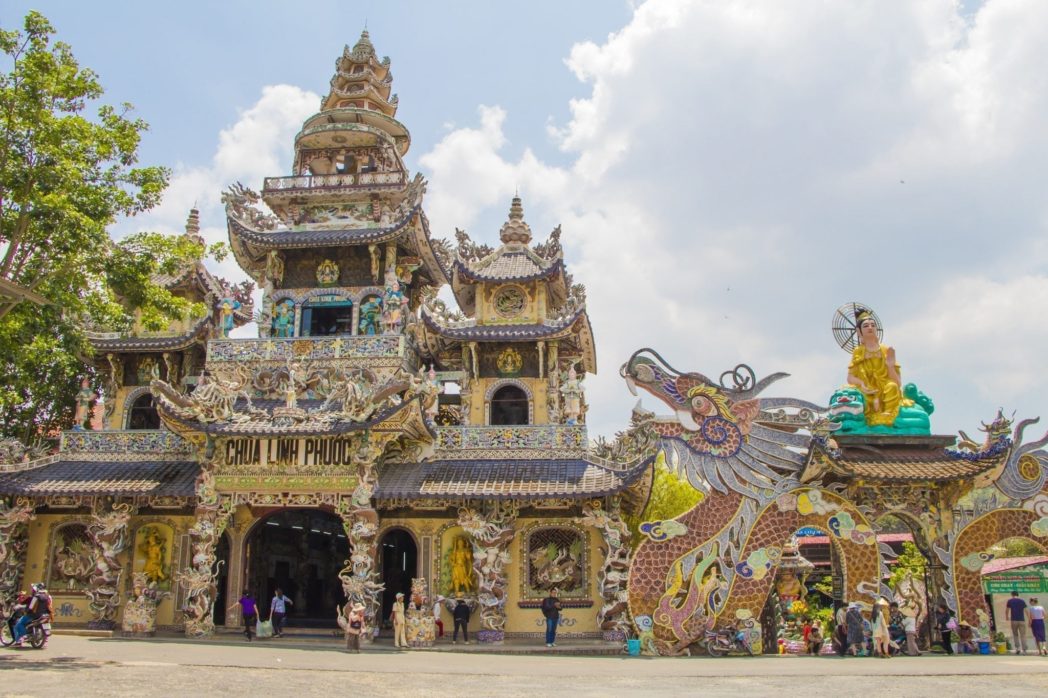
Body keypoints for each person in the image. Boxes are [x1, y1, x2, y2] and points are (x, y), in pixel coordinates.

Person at [846, 308, 902, 427]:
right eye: (866, 326)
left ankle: (888, 416)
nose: (870, 328)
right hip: (866, 389)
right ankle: (868, 419)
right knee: (857, 397)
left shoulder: (885, 350)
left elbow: (898, 383)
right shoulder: (858, 351)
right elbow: (850, 377)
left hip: (884, 388)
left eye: (873, 325)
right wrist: (861, 384)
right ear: (859, 331)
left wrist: (890, 367)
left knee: (892, 387)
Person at [13, 583, 52, 647]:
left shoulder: (36, 597)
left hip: (33, 616)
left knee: (19, 624)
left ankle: (23, 636)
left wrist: (26, 611)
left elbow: (31, 607)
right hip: (44, 615)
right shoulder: (48, 596)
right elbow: (49, 606)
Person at [1006, 590, 1028, 655]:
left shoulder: (1010, 601)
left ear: (1012, 595)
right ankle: (1024, 650)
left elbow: (1007, 610)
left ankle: (1017, 648)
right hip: (1022, 620)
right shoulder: (1022, 601)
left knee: (1015, 635)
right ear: (1018, 594)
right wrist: (1029, 619)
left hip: (1014, 620)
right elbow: (1026, 610)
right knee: (1023, 635)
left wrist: (1007, 617)